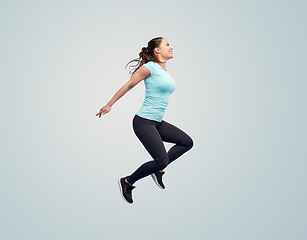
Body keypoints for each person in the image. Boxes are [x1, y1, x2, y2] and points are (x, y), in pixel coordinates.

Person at [96, 37, 194, 204]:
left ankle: (158, 170)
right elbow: (128, 85)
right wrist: (109, 104)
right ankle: (127, 182)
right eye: (167, 45)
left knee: (186, 142)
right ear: (157, 50)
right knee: (161, 159)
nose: (171, 47)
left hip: (157, 122)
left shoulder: (163, 71)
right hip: (144, 122)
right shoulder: (149, 68)